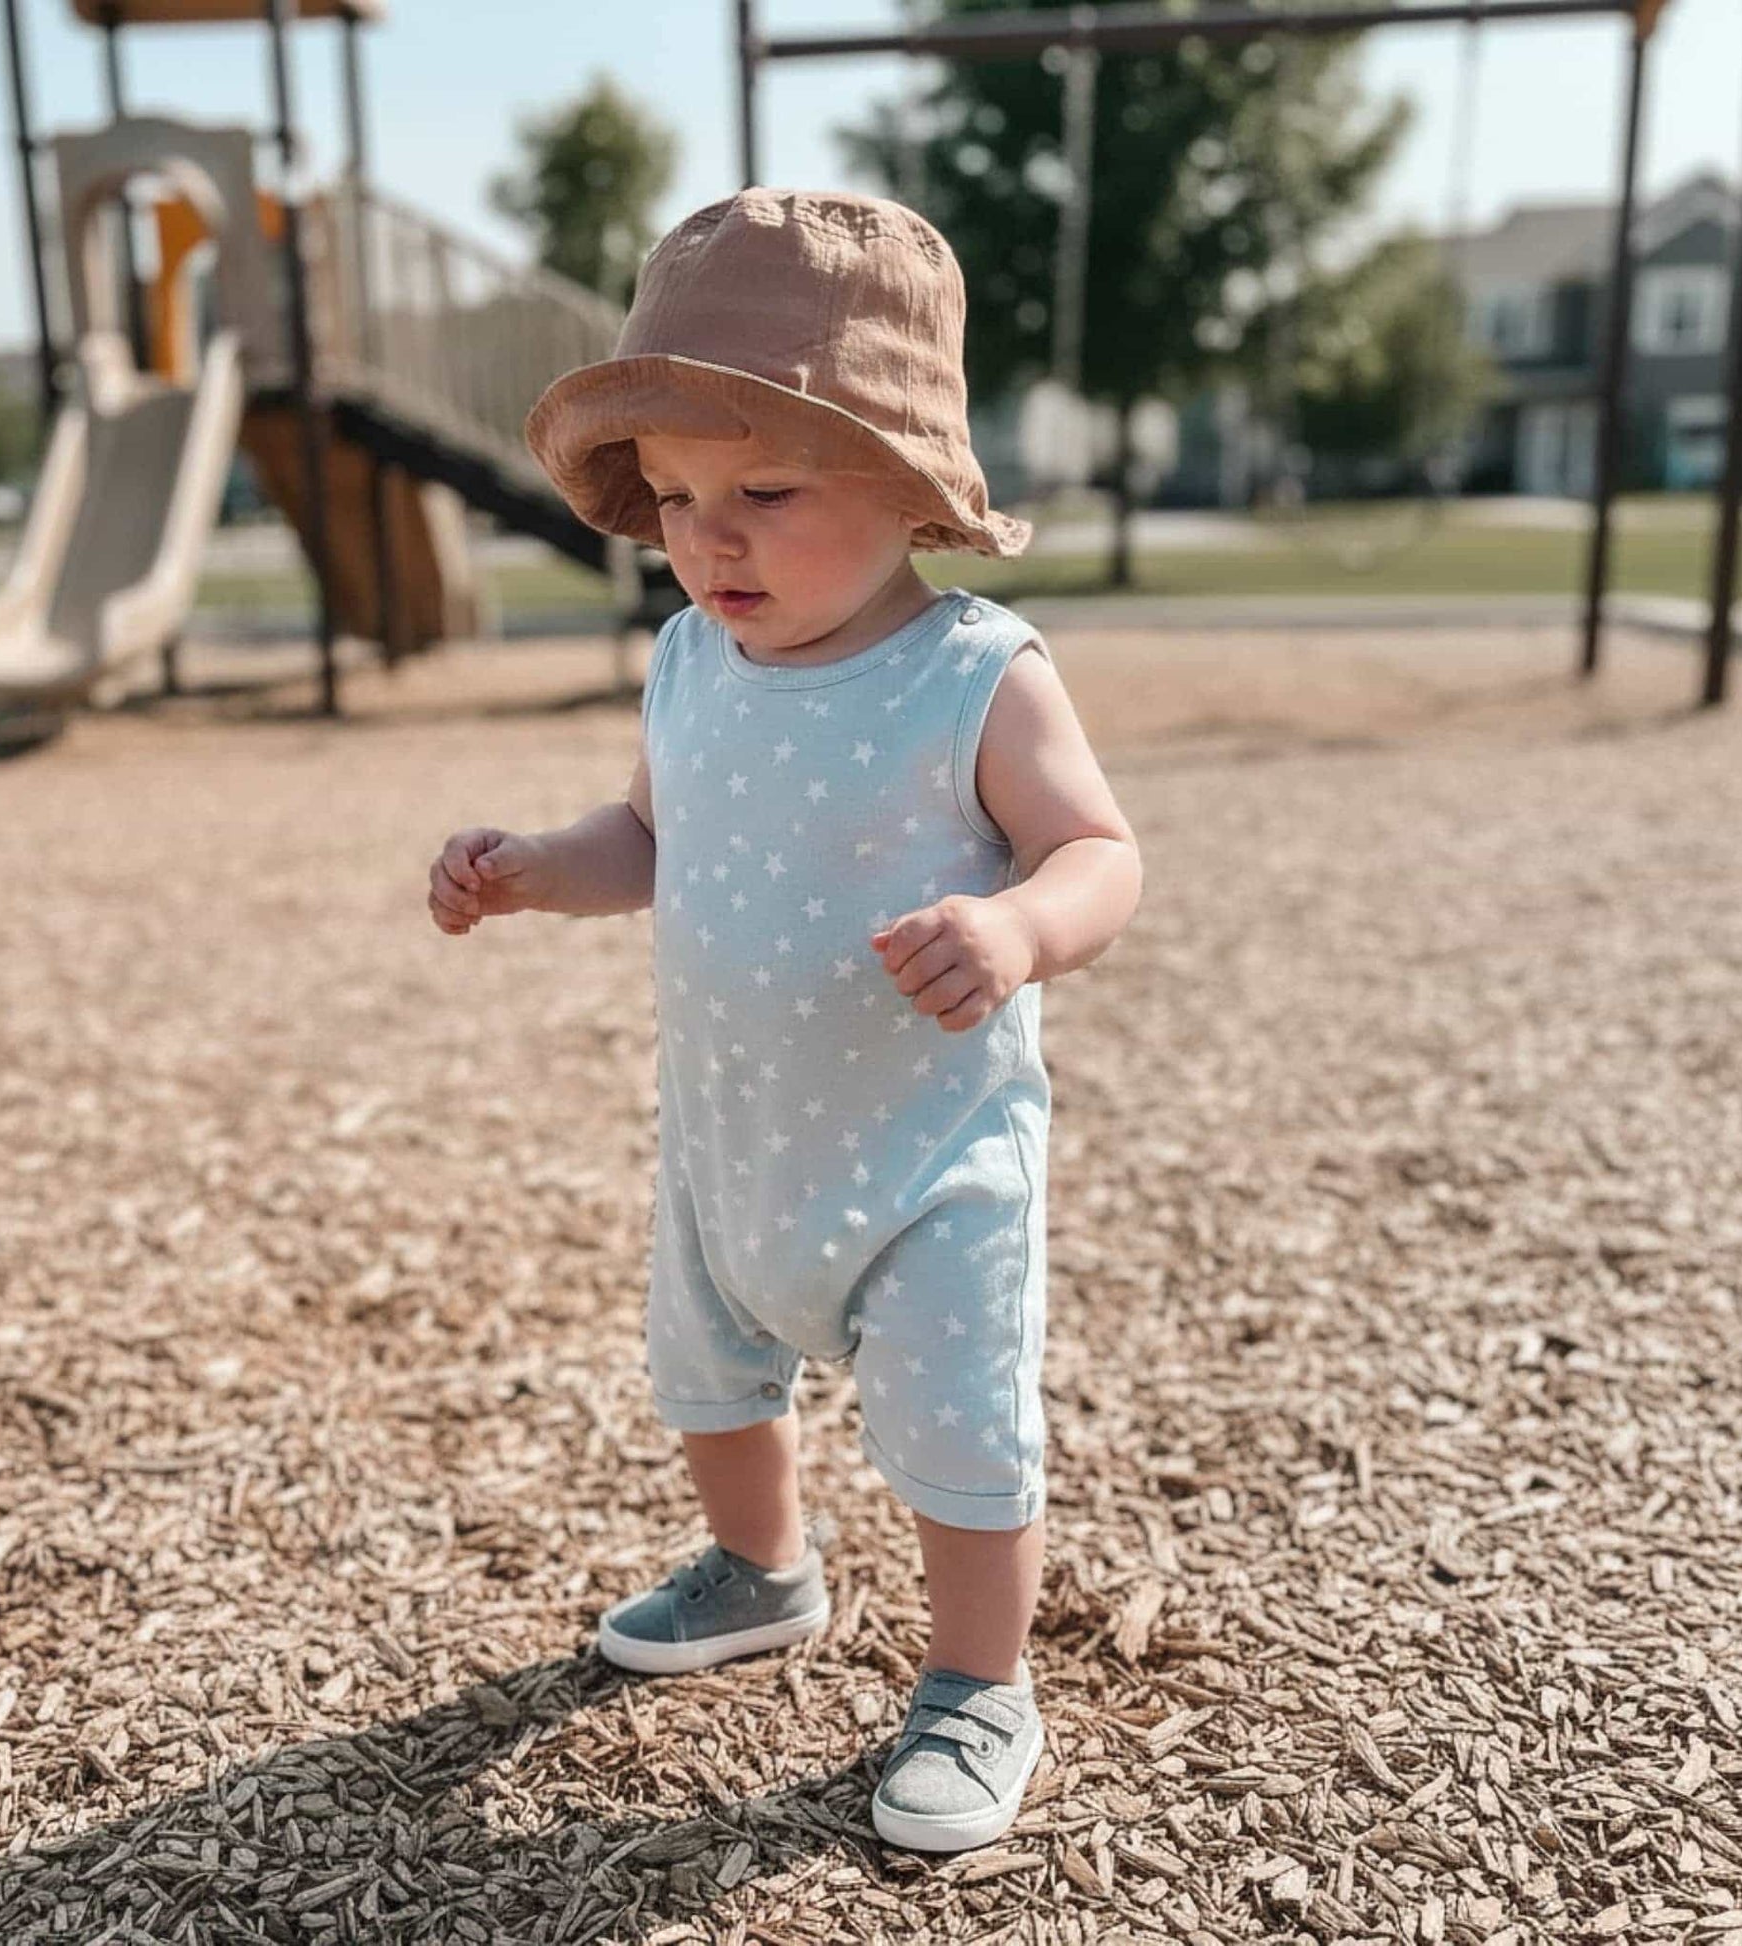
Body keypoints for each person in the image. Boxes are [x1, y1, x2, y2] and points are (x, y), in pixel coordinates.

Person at [427, 189, 1142, 1854]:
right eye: (674, 499)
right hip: (733, 1129)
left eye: (762, 492)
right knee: (707, 1374)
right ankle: (761, 1569)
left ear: (904, 481)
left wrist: (1016, 926)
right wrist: (539, 868)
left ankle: (978, 1681)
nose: (707, 539)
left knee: (959, 1422)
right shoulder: (690, 662)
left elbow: (1099, 852)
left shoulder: (974, 674)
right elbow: (650, 838)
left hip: (929, 1153)